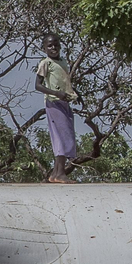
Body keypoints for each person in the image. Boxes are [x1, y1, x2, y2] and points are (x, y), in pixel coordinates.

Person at [37, 36, 78, 183]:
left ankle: (55, 174)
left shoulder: (63, 63)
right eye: (50, 46)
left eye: (56, 45)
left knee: (67, 135)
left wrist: (72, 95)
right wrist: (56, 94)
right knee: (61, 135)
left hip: (64, 102)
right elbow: (38, 85)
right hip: (53, 102)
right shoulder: (45, 63)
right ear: (45, 48)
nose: (53, 48)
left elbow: (65, 82)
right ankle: (60, 173)